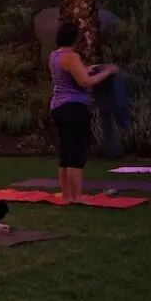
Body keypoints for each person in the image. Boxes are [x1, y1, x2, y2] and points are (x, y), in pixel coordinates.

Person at [49, 22, 119, 203]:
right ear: (76, 39)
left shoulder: (54, 55)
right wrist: (107, 72)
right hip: (73, 107)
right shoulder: (71, 57)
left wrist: (88, 69)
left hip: (58, 107)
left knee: (66, 152)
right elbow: (85, 82)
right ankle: (76, 196)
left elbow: (70, 74)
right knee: (77, 152)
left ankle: (67, 195)